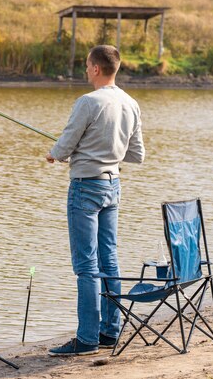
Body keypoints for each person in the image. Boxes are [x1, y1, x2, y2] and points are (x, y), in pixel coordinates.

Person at [46, 45, 145, 356]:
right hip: (113, 186)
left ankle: (87, 339)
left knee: (86, 266)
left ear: (97, 69)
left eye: (88, 65)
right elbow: (136, 154)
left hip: (85, 188)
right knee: (109, 260)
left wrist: (56, 154)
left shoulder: (87, 102)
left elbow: (64, 146)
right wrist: (106, 151)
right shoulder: (131, 104)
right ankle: (109, 333)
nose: (86, 70)